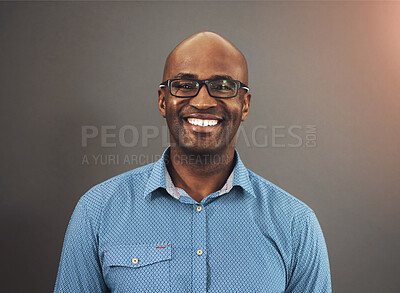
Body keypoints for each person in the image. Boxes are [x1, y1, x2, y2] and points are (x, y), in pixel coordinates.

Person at [54, 31, 331, 292]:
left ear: (245, 104)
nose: (202, 101)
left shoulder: (296, 224)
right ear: (163, 101)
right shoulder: (97, 212)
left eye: (222, 86)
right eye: (185, 85)